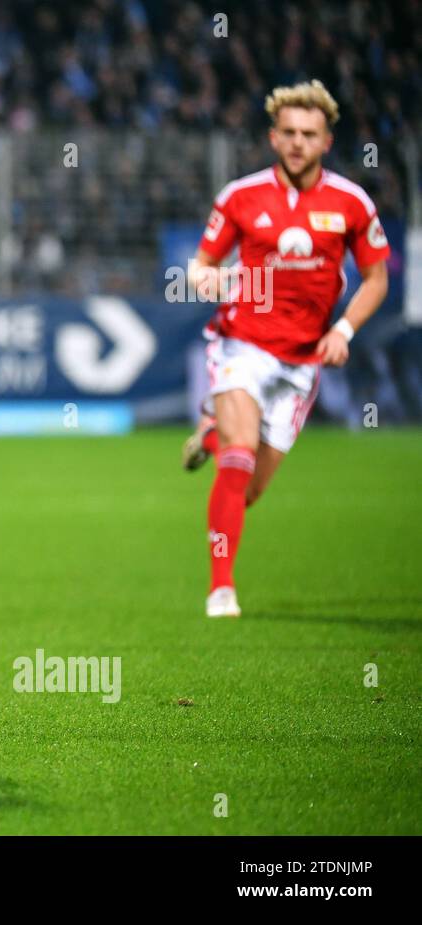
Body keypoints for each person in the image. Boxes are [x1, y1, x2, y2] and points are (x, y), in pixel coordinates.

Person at [181, 80, 389, 618]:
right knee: (239, 453)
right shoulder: (240, 196)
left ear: (326, 141)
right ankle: (221, 589)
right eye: (289, 133)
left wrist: (342, 331)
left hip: (303, 360)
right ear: (274, 138)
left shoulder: (351, 203)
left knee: (246, 492)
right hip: (241, 343)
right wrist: (203, 278)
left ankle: (210, 431)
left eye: (309, 134)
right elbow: (202, 262)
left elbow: (375, 279)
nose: (298, 142)